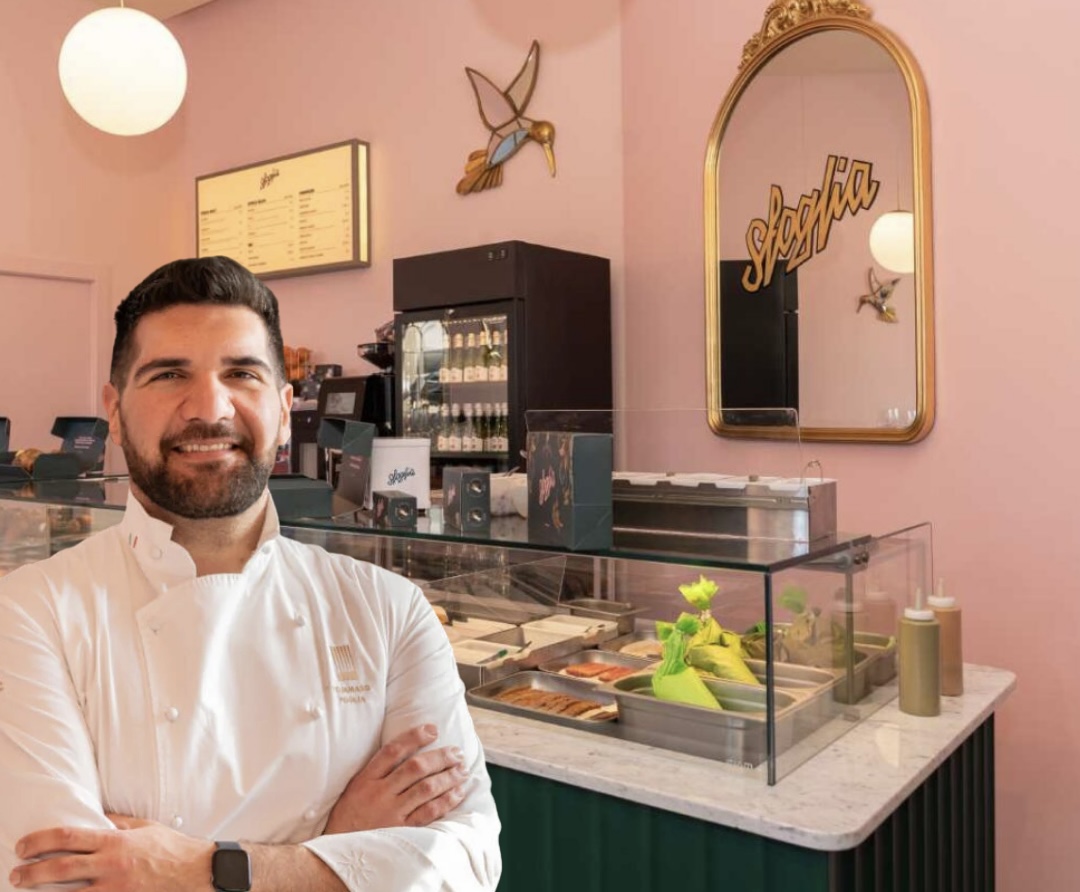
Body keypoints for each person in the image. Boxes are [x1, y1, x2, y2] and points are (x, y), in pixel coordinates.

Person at [0, 256, 502, 891]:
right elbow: (52, 880)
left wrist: (195, 869)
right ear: (116, 412)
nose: (210, 407)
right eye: (168, 374)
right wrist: (340, 848)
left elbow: (465, 864)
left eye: (241, 372)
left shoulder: (388, 608)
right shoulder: (29, 613)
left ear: (285, 407)